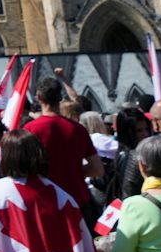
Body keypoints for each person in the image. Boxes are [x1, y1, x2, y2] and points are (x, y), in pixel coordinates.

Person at [25, 77, 103, 212]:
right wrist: (75, 172)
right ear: (60, 98)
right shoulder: (78, 129)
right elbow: (98, 169)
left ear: (38, 97)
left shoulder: (30, 130)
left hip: (46, 202)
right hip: (77, 200)